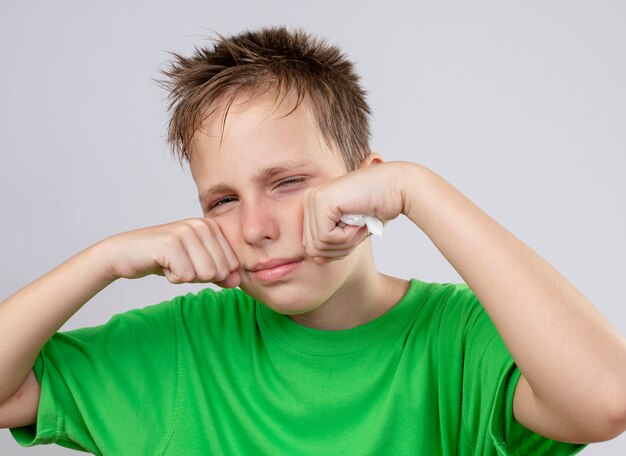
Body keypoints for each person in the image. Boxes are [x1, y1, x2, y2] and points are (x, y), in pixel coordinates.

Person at [0, 25, 624, 455]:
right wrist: (102, 259)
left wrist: (420, 189)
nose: (255, 227)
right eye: (223, 200)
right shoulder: (179, 345)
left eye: (289, 182)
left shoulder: (457, 339)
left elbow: (606, 401)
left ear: (367, 184)